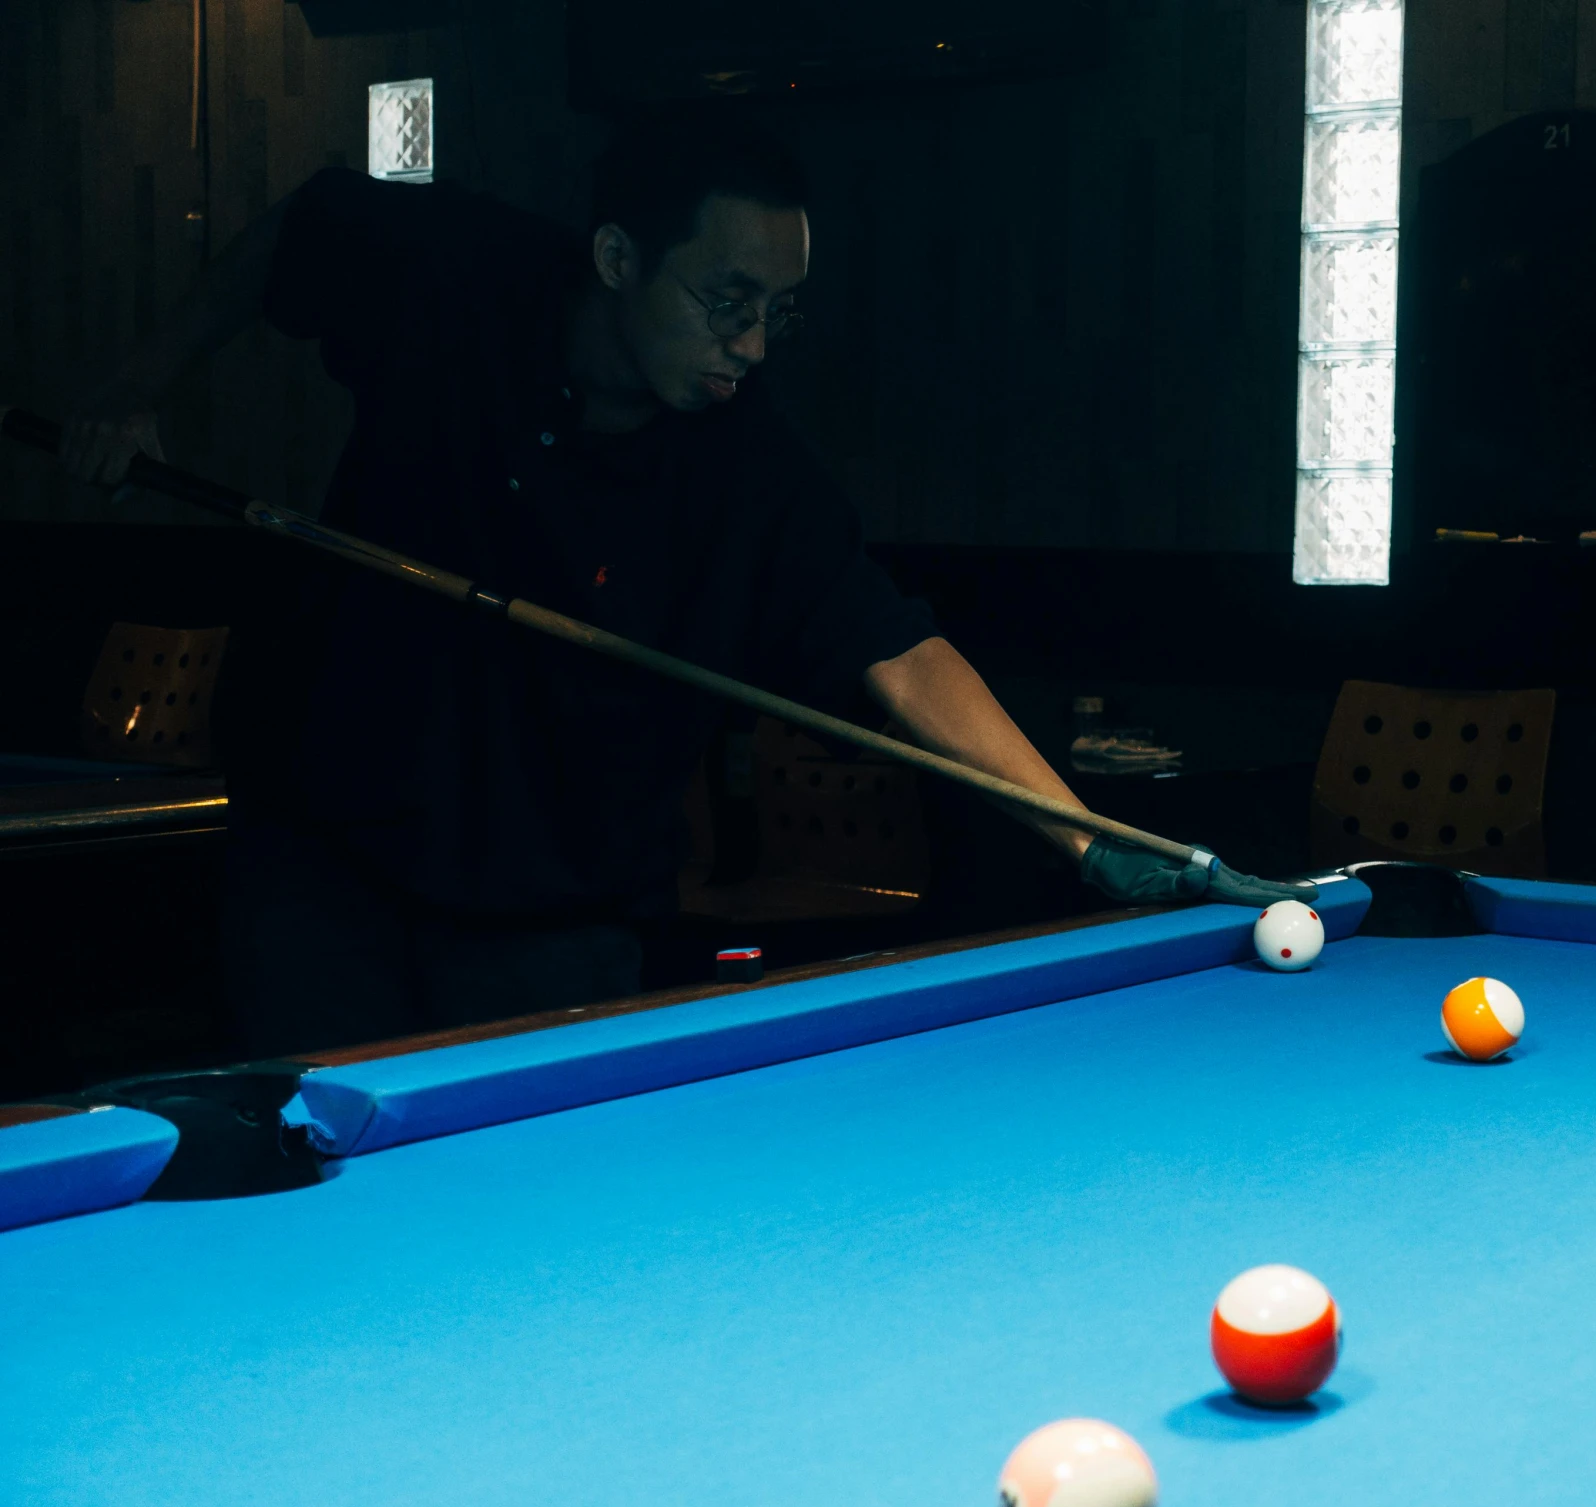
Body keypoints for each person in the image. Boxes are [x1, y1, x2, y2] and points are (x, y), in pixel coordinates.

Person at [61, 102, 1309, 1055]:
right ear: (615, 257)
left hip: (554, 915)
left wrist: (1091, 841)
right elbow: (297, 229)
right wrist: (134, 383)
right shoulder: (449, 272)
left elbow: (897, 648)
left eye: (781, 308)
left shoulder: (752, 473)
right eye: (726, 299)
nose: (754, 344)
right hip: (321, 866)